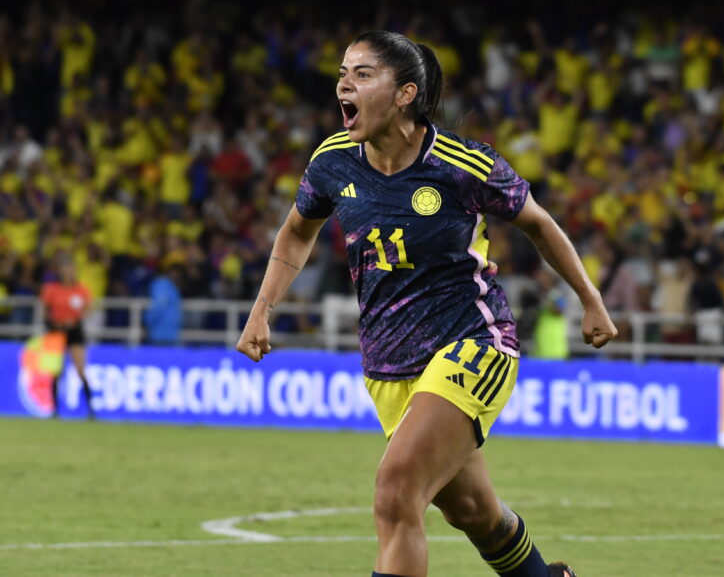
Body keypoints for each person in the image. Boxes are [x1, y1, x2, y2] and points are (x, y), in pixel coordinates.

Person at [236, 31, 616, 577]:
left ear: (405, 93)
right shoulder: (333, 163)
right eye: (343, 72)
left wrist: (590, 298)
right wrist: (262, 308)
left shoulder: (463, 164)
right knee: (472, 511)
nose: (345, 83)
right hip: (389, 366)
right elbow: (297, 233)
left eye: (363, 74)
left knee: (395, 493)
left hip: (473, 344)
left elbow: (537, 222)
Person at [40, 257, 95, 419]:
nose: (69, 273)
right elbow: (44, 310)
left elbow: (89, 309)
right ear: (60, 272)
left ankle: (91, 410)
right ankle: (54, 409)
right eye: (65, 270)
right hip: (56, 332)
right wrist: (53, 322)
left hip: (75, 331)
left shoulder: (81, 289)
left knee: (80, 370)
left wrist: (76, 320)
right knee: (56, 371)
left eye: (71, 269)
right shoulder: (52, 289)